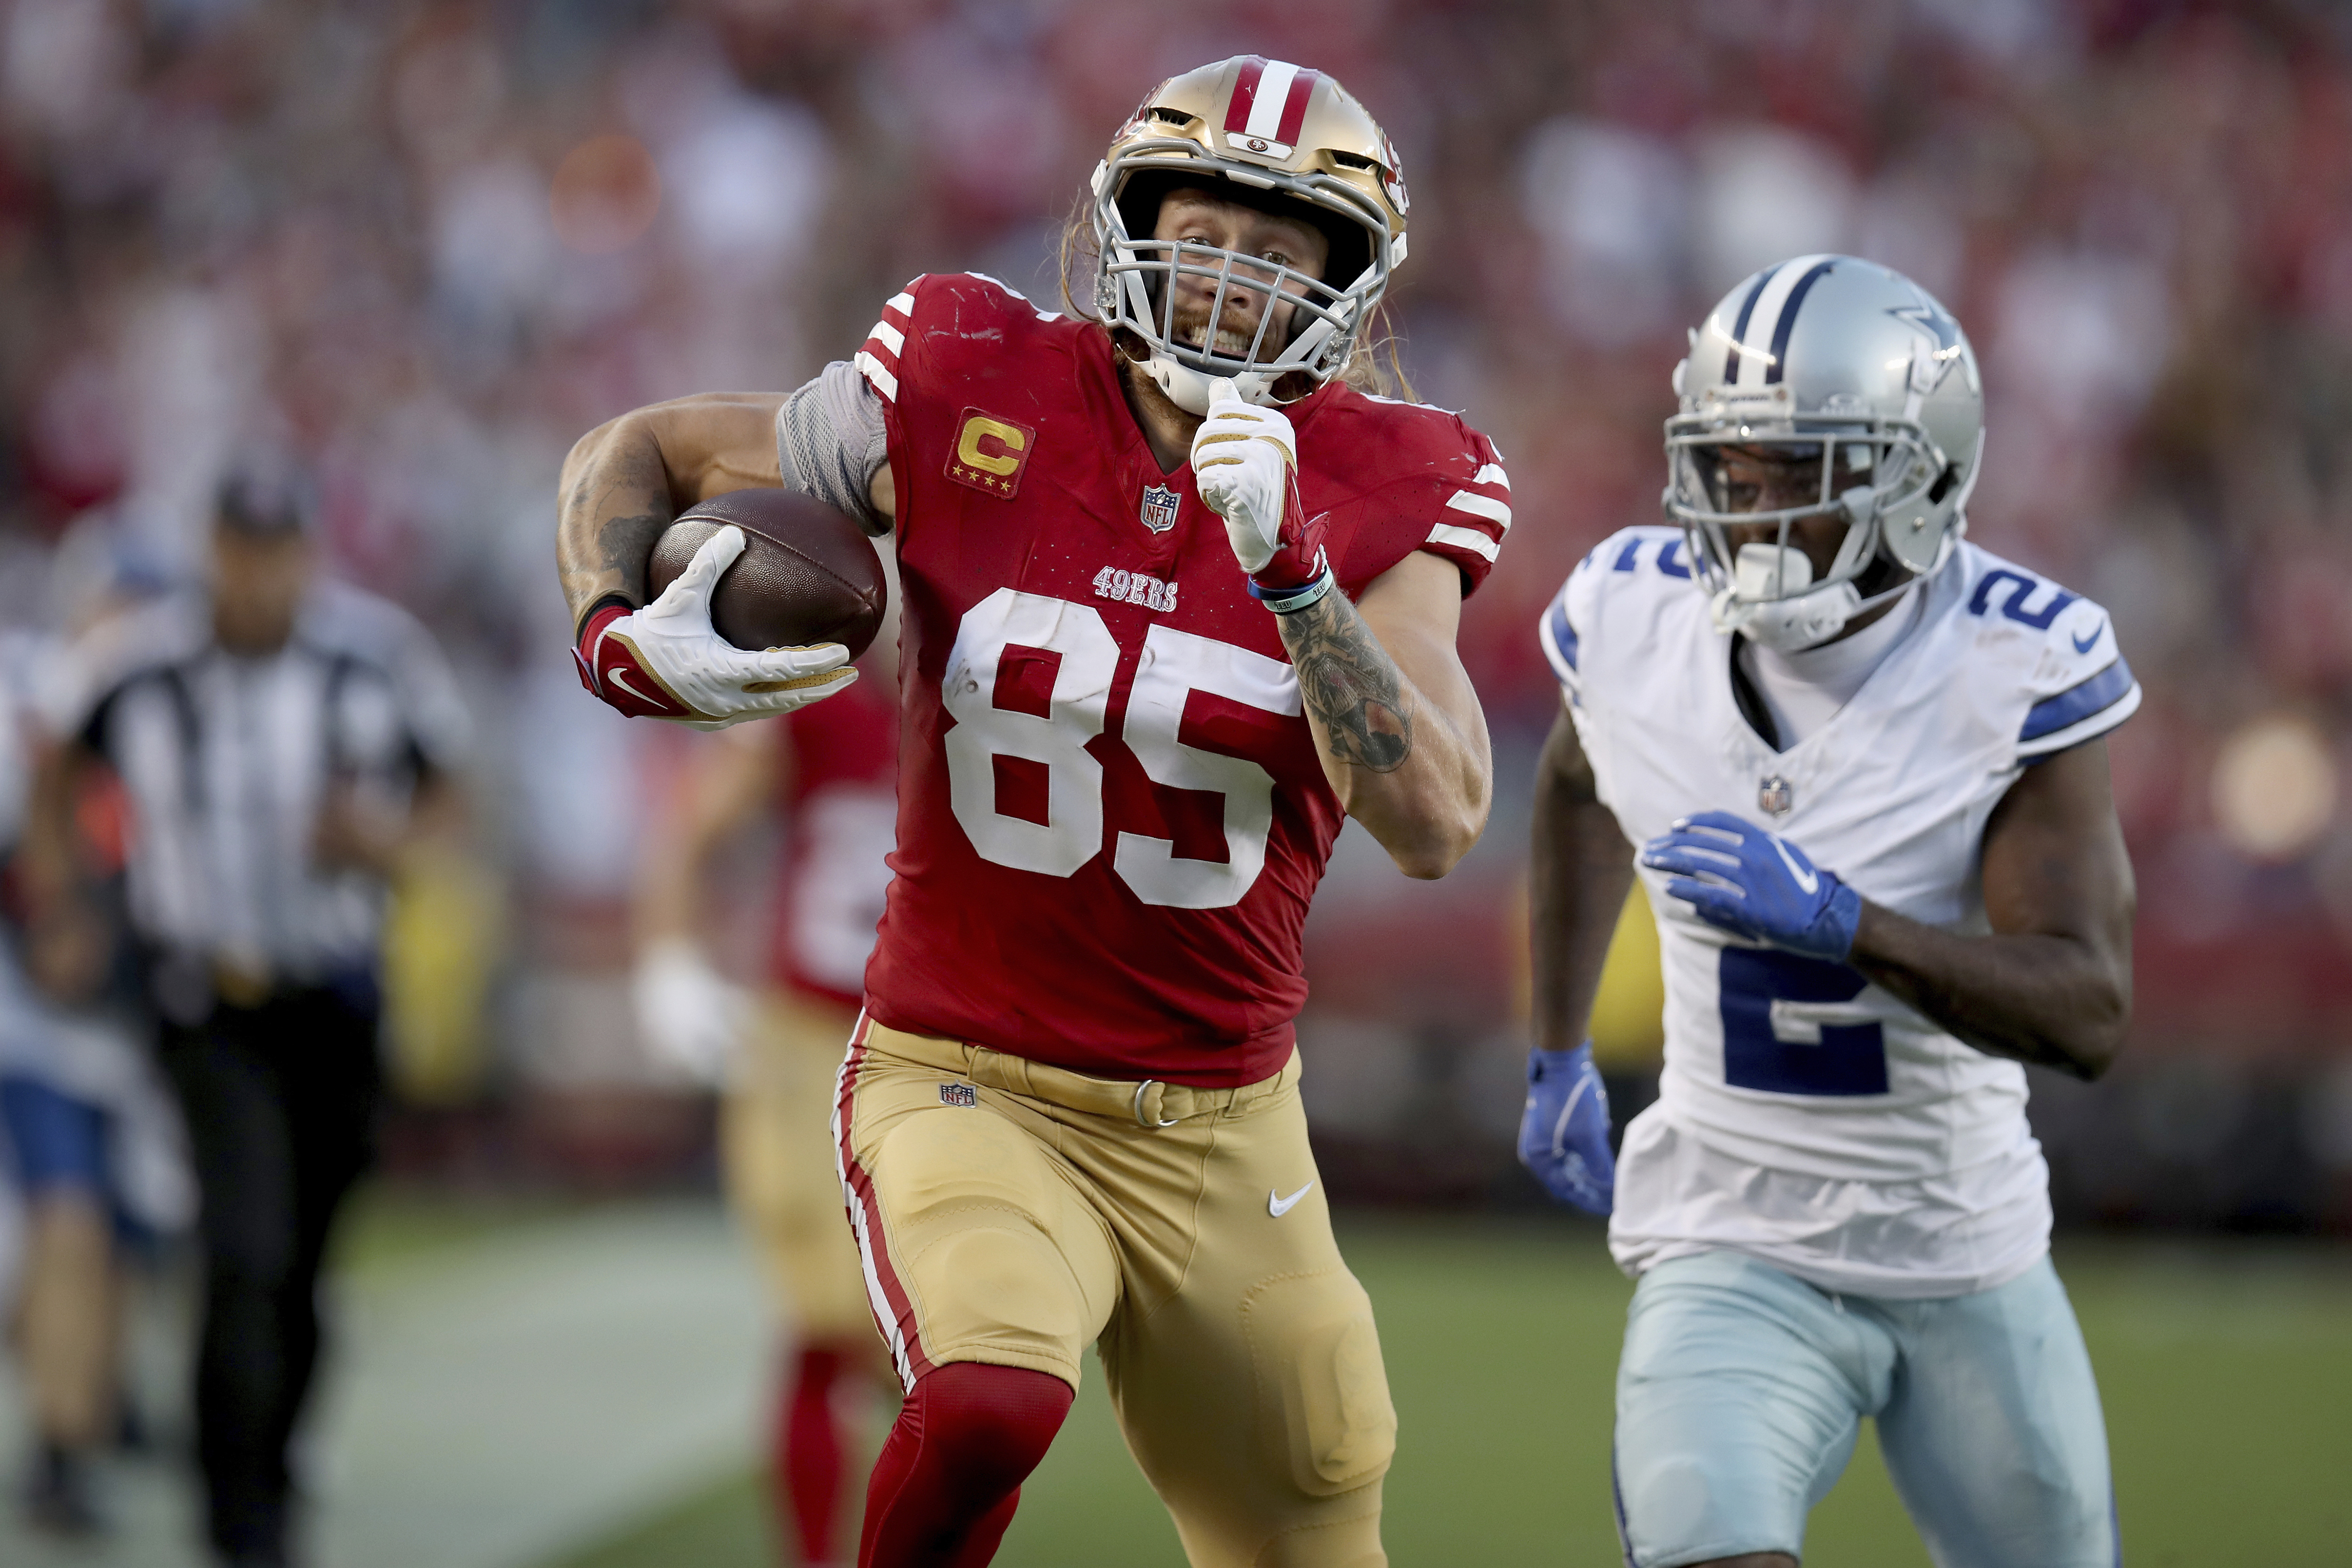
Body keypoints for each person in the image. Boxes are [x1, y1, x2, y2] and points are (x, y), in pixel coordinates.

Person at [559, 55, 1509, 1568]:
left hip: (1221, 1116)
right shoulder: (964, 375)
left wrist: (1294, 574)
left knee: (1314, 1520)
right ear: (1130, 223)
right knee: (993, 1393)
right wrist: (614, 619)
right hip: (965, 1068)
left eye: (1281, 256)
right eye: (1206, 234)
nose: (1231, 286)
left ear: (1349, 286)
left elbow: (1438, 814)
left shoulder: (1395, 478)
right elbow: (652, 446)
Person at [1521, 255, 2137, 1568]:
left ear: (1921, 478)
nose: (1749, 513)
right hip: (1728, 1236)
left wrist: (1852, 924)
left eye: (1801, 474)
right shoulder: (1631, 619)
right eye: (1731, 471)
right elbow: (1577, 787)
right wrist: (1557, 1046)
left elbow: (2089, 1007)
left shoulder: (2016, 661)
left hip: (1963, 1244)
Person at [25, 467, 471, 1568]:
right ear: (211, 550)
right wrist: (66, 902)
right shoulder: (140, 662)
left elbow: (450, 791)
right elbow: (50, 767)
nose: (261, 575)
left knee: (305, 1265)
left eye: (279, 551)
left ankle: (269, 1464)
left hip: (334, 995)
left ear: (307, 554)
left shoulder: (374, 654)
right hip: (206, 999)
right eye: (241, 549)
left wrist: (387, 845)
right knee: (247, 1248)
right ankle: (243, 1526)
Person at [633, 635, 901, 1567]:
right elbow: (692, 826)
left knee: (944, 1343)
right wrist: (667, 956)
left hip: (934, 1054)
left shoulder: (990, 709)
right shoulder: (819, 701)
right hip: (807, 1043)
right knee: (822, 1320)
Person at [0, 631, 194, 1535]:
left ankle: (79, 1427)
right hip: (41, 1032)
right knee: (70, 1229)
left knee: (116, 1234)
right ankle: (66, 1438)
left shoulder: (145, 699)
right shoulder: (53, 699)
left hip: (106, 1033)